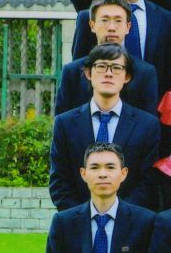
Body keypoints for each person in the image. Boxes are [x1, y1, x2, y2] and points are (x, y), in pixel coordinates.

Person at [49, 43, 161, 210]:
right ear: (88, 73)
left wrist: (119, 216)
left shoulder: (147, 125)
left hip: (130, 220)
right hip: (78, 219)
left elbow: (148, 182)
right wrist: (84, 216)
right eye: (101, 66)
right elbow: (59, 180)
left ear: (127, 76)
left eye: (116, 68)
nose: (108, 73)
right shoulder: (65, 123)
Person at [56, 0, 160, 115]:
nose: (111, 28)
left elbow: (148, 122)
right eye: (105, 20)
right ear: (92, 25)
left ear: (128, 27)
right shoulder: (72, 72)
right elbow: (62, 120)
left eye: (118, 21)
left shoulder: (145, 73)